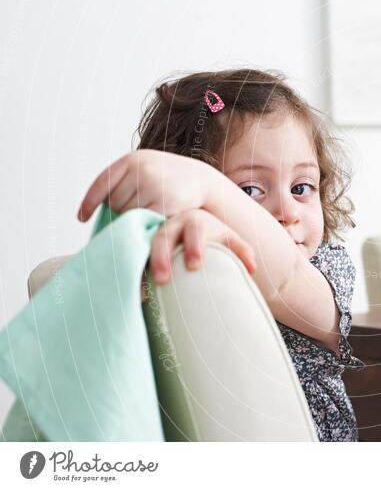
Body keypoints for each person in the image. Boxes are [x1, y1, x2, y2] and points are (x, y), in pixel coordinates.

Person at [77, 68, 362, 441]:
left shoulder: (324, 271)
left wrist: (210, 188)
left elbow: (284, 278)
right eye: (249, 191)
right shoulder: (156, 270)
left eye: (302, 187)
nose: (288, 212)